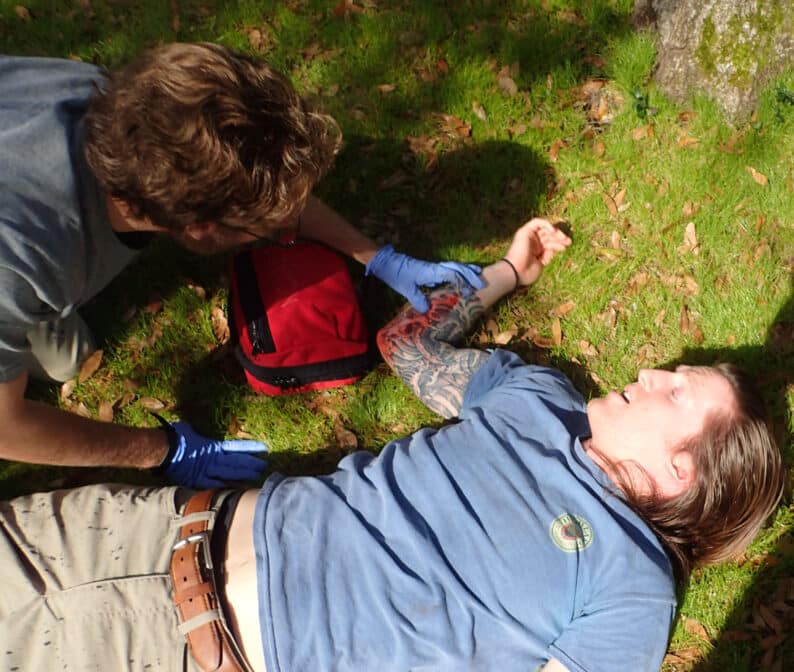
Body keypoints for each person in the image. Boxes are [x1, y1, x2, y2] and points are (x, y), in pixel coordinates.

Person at [0, 220, 784, 672]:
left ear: (684, 472)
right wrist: (507, 273)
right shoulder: (539, 401)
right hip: (150, 525)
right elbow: (408, 348)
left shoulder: (632, 587)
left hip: (177, 655)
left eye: (677, 391)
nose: (649, 371)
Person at [0, 42, 482, 488]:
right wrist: (161, 450)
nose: (282, 224)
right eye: (263, 224)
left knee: (69, 360)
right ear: (201, 228)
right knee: (49, 365)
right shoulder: (23, 264)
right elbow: (8, 428)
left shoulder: (121, 103)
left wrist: (376, 256)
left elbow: (261, 190)